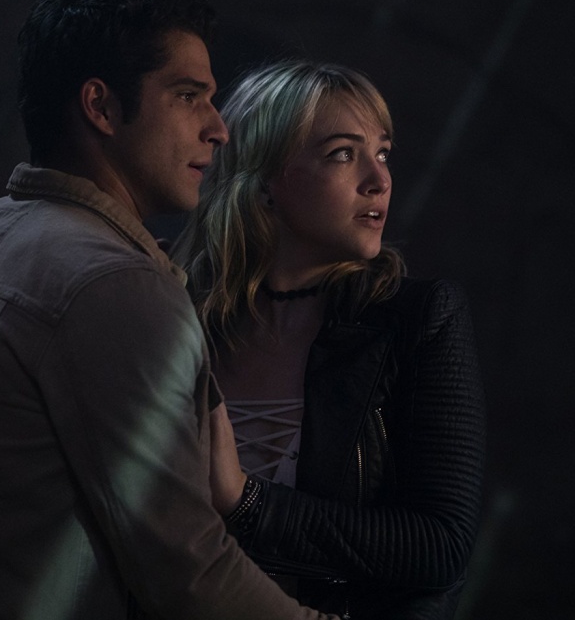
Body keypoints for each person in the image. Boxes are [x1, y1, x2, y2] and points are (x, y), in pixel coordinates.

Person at [0, 0, 338, 620]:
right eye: (188, 96)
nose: (218, 129)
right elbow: (189, 571)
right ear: (100, 106)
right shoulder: (116, 284)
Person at [173, 60, 487, 619]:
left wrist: (247, 501)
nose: (379, 180)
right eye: (344, 154)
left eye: (382, 153)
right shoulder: (181, 319)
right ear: (264, 182)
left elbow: (440, 546)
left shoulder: (416, 320)